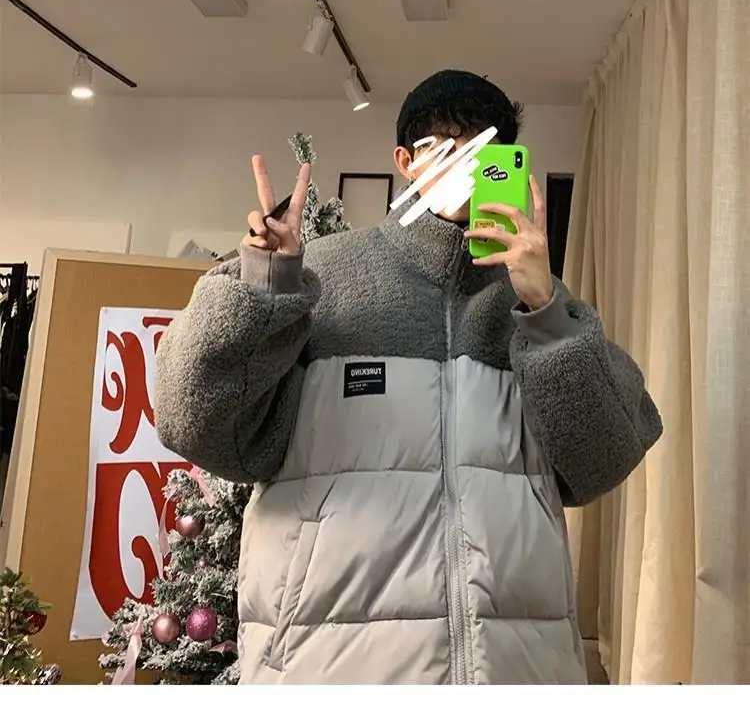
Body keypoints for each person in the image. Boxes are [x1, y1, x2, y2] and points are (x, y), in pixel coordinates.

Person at [154, 69, 663, 685]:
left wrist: (547, 310)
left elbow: (604, 460)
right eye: (448, 148)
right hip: (331, 668)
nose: (468, 168)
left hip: (518, 668)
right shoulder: (322, 276)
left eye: (486, 151)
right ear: (405, 162)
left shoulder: (533, 298)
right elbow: (194, 423)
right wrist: (263, 288)